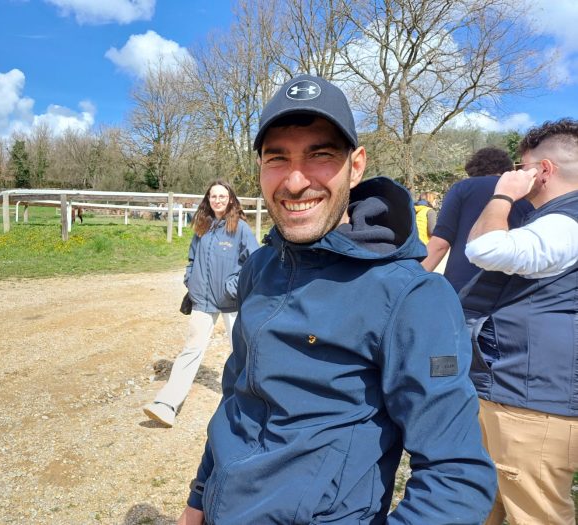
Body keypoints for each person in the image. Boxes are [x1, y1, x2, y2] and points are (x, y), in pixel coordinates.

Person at [178, 74, 495, 525]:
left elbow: (456, 473)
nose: (294, 180)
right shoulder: (259, 268)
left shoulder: (412, 295)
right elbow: (237, 397)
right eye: (277, 158)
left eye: (320, 155)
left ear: (357, 164)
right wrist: (200, 494)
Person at [460, 119, 578, 525]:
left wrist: (502, 195)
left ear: (542, 170)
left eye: (521, 167)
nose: (515, 174)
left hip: (533, 404)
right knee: (485, 502)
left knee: (538, 515)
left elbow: (485, 247)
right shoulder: (558, 219)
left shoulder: (567, 222)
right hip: (518, 393)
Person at [143, 180, 259, 428]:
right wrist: (190, 279)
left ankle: (253, 403)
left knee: (242, 351)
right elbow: (191, 258)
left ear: (230, 199)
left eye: (222, 196)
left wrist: (234, 286)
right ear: (208, 199)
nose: (218, 200)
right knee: (190, 351)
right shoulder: (202, 227)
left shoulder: (240, 228)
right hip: (203, 301)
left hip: (231, 302)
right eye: (213, 196)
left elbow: (254, 262)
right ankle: (166, 405)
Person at [421, 147, 532, 291]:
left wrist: (411, 283)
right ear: (507, 168)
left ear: (474, 168)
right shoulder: (526, 194)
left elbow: (440, 243)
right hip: (511, 289)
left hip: (463, 284)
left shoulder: (462, 188)